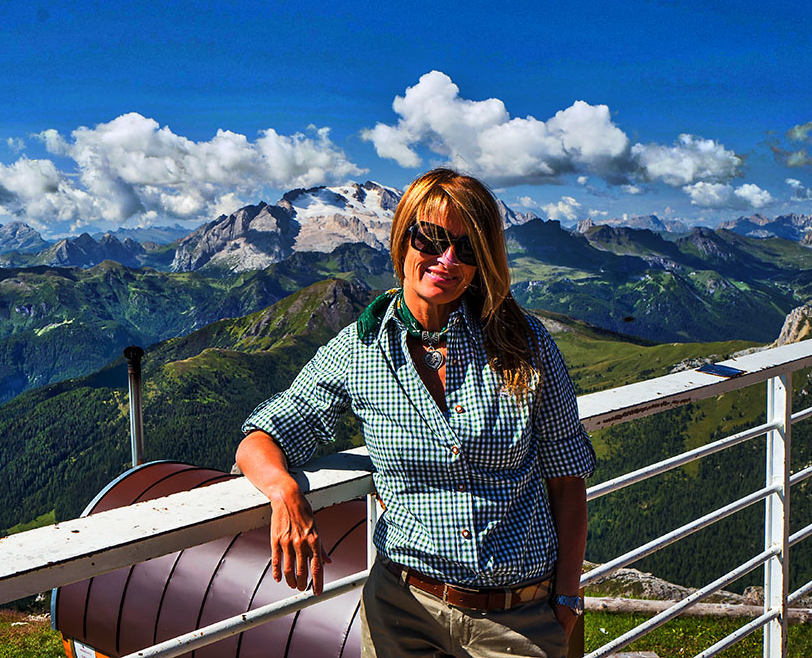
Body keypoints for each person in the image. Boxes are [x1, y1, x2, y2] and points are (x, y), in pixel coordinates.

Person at [235, 167, 595, 658]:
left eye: (467, 249)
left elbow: (568, 479)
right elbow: (263, 434)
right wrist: (284, 492)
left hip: (519, 617)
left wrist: (568, 598)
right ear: (401, 238)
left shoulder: (524, 344)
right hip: (401, 611)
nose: (447, 260)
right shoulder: (358, 349)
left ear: (483, 261)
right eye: (431, 238)